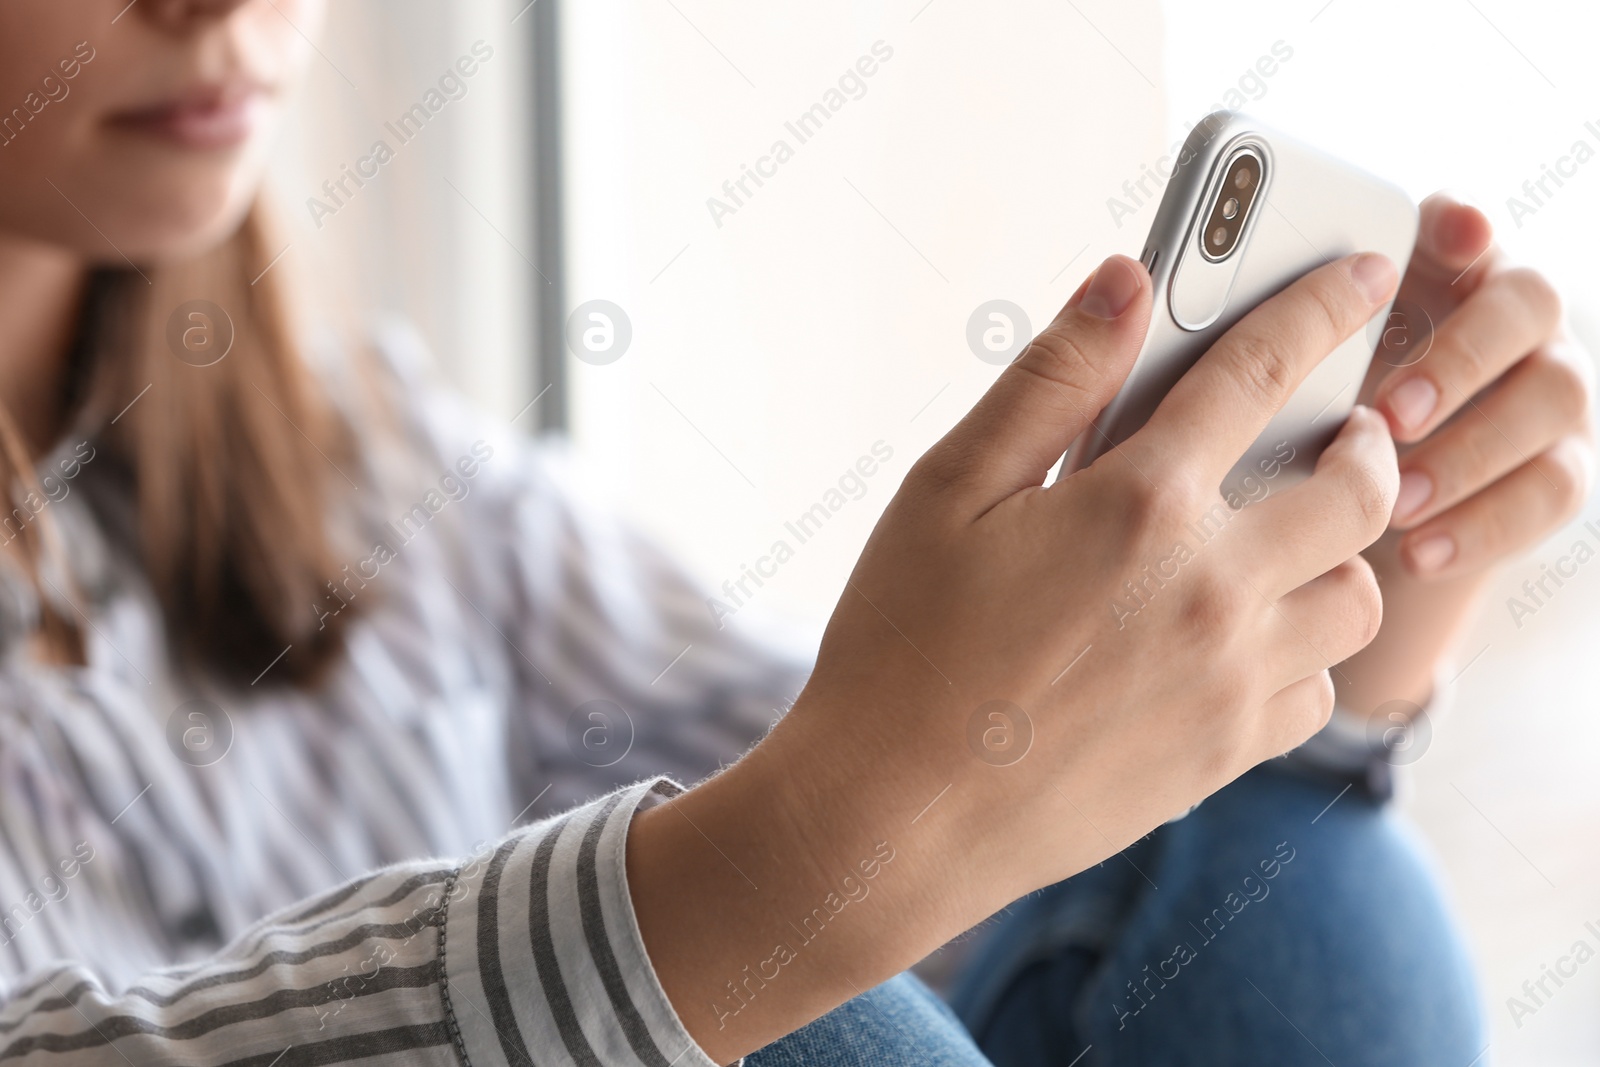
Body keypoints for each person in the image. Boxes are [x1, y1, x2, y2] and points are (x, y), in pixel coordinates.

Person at [0, 2, 1589, 1066]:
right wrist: (803, 853)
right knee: (821, 1033)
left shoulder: (372, 458)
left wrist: (1339, 614)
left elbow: (905, 821)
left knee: (1290, 892)